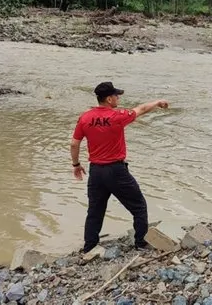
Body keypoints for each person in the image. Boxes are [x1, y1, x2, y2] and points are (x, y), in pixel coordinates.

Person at [70, 81, 169, 253]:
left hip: (96, 172)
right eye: (116, 95)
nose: (118, 98)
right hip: (116, 171)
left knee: (95, 210)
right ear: (109, 99)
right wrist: (157, 102)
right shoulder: (118, 116)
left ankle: (90, 247)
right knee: (139, 206)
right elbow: (142, 109)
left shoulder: (85, 117)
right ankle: (140, 243)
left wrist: (76, 164)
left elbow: (74, 143)